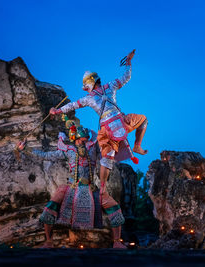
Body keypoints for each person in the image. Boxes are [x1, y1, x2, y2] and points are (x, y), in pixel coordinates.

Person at [49, 50, 148, 208]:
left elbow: (72, 105)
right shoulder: (110, 86)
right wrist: (128, 64)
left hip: (109, 128)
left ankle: (102, 188)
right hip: (120, 122)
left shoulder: (89, 98)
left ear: (88, 84)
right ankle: (137, 145)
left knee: (107, 158)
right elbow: (126, 77)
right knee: (143, 120)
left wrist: (57, 111)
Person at [17, 118, 126, 249]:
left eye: (86, 140)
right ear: (76, 139)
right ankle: (49, 242)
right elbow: (46, 155)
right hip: (72, 187)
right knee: (49, 209)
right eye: (82, 140)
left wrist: (112, 133)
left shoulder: (93, 147)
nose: (84, 143)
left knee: (114, 208)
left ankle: (117, 242)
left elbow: (107, 151)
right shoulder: (68, 150)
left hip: (91, 188)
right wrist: (26, 149)